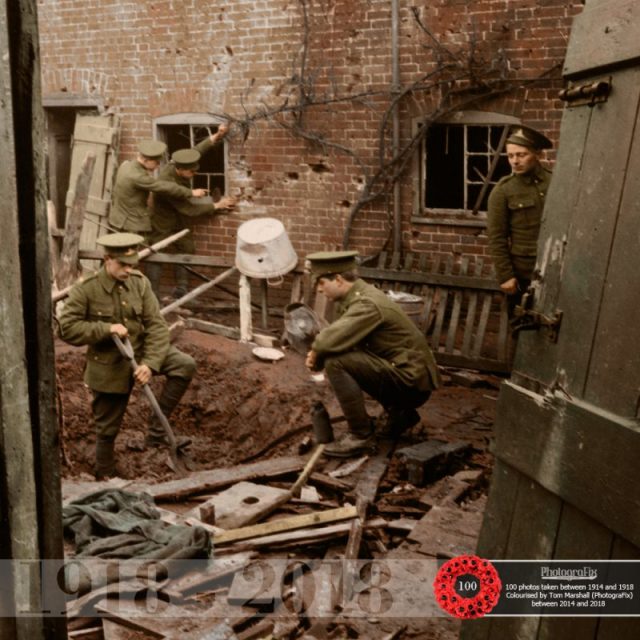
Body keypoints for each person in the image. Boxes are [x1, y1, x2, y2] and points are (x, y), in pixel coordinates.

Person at [57, 232, 196, 479]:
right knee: (107, 429)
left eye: (132, 265)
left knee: (184, 365)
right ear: (107, 259)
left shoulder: (140, 283)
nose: (128, 270)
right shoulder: (87, 289)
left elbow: (156, 326)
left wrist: (150, 364)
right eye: (123, 265)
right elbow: (66, 328)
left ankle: (156, 431)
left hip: (140, 351)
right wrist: (105, 328)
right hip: (108, 362)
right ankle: (104, 474)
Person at [304, 251, 441, 457]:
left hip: (411, 382)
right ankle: (400, 415)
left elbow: (327, 341)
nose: (319, 289)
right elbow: (342, 339)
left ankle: (360, 436)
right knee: (346, 356)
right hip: (409, 375)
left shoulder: (367, 304)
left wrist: (317, 353)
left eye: (321, 283)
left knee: (336, 362)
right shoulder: (357, 297)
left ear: (339, 280)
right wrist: (320, 351)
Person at [148, 125, 236, 297]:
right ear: (179, 170)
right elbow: (189, 209)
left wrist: (217, 136)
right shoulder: (167, 182)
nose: (195, 174)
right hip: (162, 220)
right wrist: (216, 206)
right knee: (156, 253)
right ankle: (152, 294)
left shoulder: (182, 163)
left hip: (178, 217)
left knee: (187, 248)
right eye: (191, 172)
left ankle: (181, 288)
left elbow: (197, 150)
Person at [486, 125, 553, 316]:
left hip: (556, 269)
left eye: (521, 155)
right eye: (510, 156)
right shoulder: (503, 191)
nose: (515, 161)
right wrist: (505, 276)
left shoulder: (554, 182)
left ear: (537, 154)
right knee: (522, 331)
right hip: (523, 274)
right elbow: (496, 237)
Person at [108, 139, 208, 239]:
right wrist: (191, 192)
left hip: (118, 219)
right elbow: (164, 186)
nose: (158, 165)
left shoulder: (126, 165)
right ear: (145, 160)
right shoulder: (138, 176)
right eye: (156, 162)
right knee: (139, 251)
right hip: (131, 223)